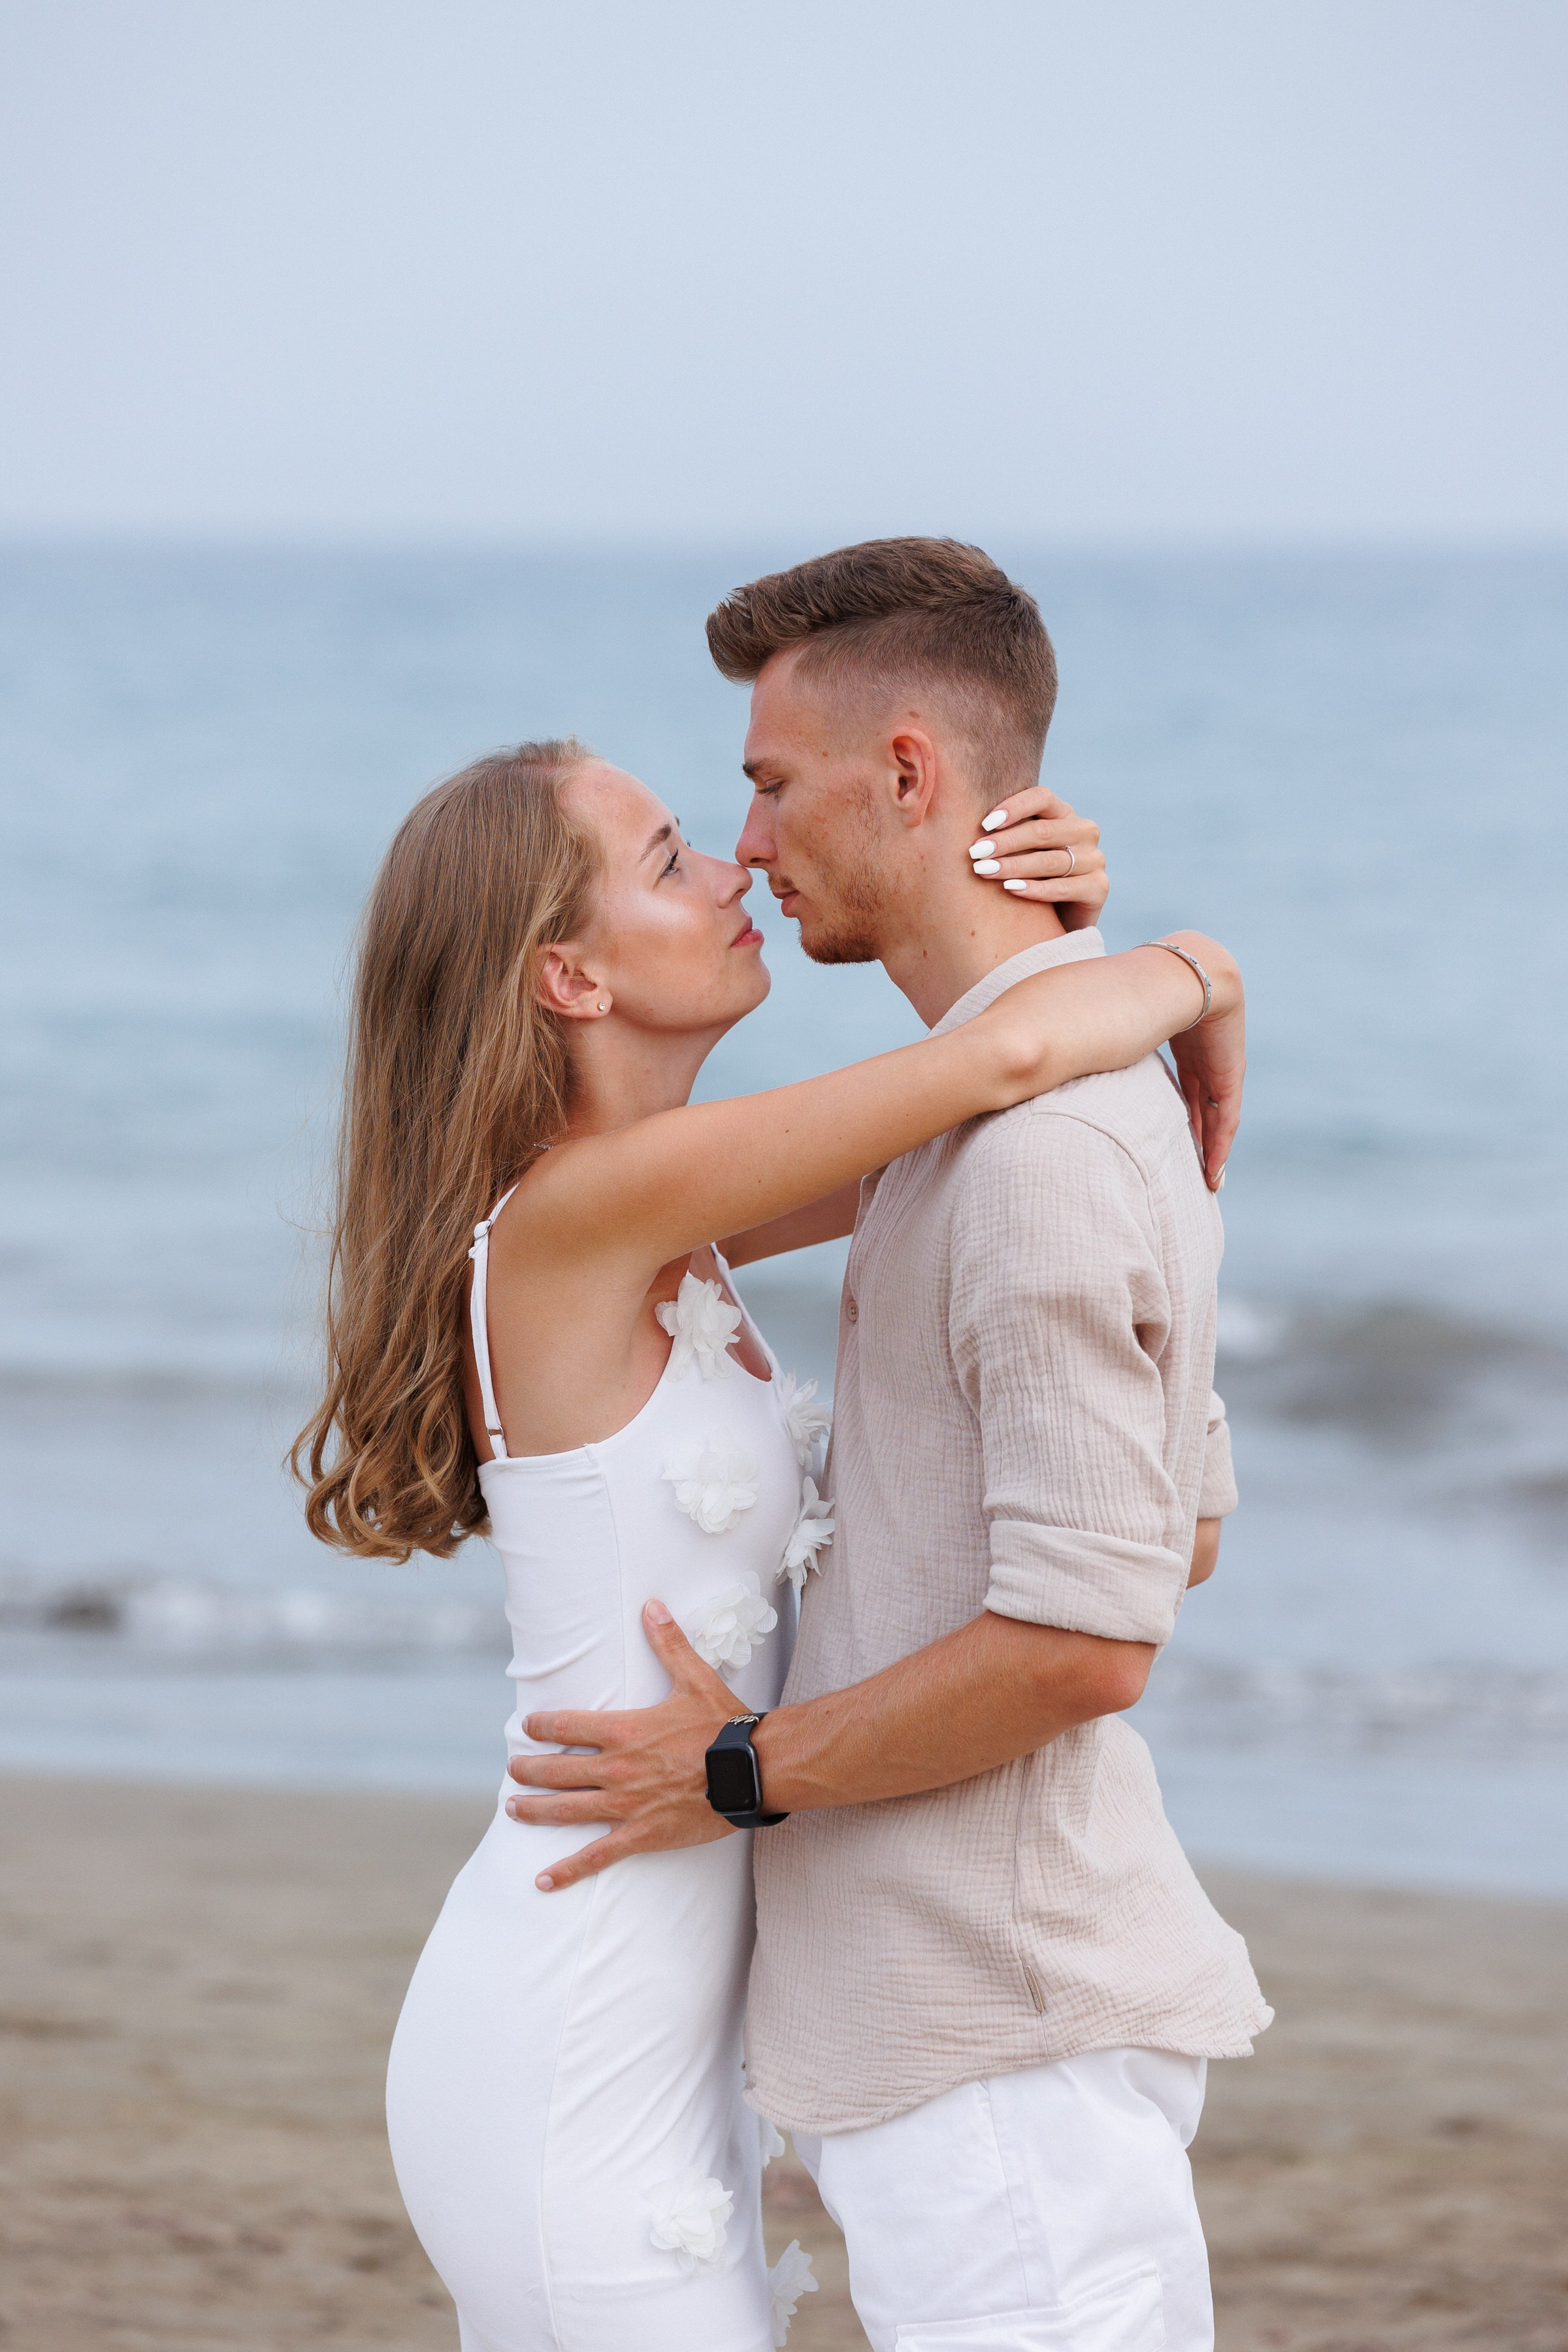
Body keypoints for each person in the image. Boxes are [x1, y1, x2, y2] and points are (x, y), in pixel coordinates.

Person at [295, 704, 1244, 2351]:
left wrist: (1067, 932)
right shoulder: (580, 1217)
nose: (736, 862)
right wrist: (1207, 971)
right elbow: (1004, 1058)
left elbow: (969, 1142)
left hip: (677, 2009)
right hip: (575, 2007)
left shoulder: (674, 1208)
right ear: (568, 979)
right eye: (668, 857)